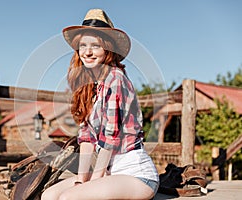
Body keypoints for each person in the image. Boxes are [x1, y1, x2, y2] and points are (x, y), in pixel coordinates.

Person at [41, 8, 159, 200]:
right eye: (83, 45)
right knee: (49, 196)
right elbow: (86, 138)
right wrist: (81, 180)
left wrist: (94, 180)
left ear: (108, 49)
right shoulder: (90, 87)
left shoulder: (116, 78)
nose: (87, 52)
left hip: (135, 175)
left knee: (69, 198)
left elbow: (110, 138)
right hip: (110, 173)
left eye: (95, 46)